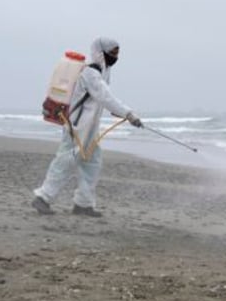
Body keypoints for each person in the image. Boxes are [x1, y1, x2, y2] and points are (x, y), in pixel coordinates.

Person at [32, 37, 143, 217]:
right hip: (75, 126)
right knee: (66, 161)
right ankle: (43, 198)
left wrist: (121, 113)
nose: (115, 56)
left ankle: (83, 204)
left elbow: (101, 99)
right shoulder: (91, 72)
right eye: (113, 52)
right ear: (101, 51)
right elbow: (105, 97)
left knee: (92, 163)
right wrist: (128, 114)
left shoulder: (103, 73)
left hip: (90, 128)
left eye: (117, 53)